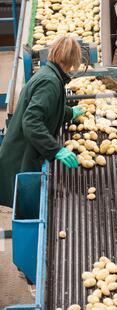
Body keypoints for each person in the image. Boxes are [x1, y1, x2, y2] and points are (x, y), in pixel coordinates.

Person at [0, 35, 85, 208]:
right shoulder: (50, 82)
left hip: (21, 149)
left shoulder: (48, 74)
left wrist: (69, 113)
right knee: (26, 206)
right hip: (22, 155)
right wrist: (56, 150)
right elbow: (31, 121)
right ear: (70, 62)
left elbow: (47, 107)